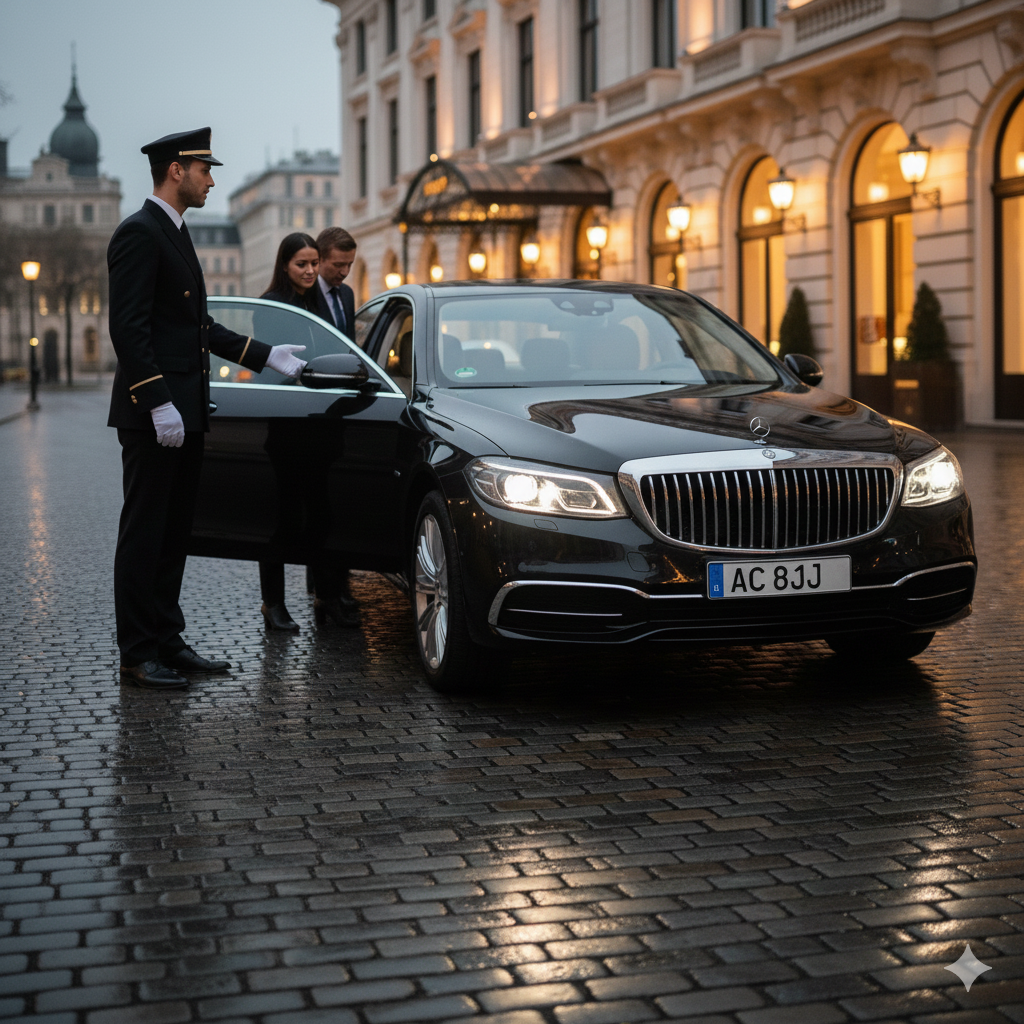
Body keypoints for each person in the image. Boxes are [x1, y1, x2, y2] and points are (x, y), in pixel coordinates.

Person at [108, 127, 307, 691]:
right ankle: (138, 653)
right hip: (156, 417)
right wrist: (157, 401)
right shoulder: (139, 233)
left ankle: (167, 641)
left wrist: (267, 356)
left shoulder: (173, 232)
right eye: (204, 169)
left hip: (185, 413)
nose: (211, 180)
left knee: (174, 534)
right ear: (177, 170)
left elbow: (199, 327)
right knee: (144, 534)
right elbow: (128, 328)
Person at [256, 233, 358, 631]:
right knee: (281, 518)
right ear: (285, 265)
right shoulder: (269, 306)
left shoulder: (321, 301)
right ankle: (273, 603)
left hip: (322, 425)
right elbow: (271, 367)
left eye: (315, 263)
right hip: (286, 426)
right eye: (303, 264)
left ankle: (327, 595)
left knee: (321, 512)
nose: (311, 271)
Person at [315, 226, 357, 337]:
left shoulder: (347, 293)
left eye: (349, 264)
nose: (345, 272)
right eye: (338, 265)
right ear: (319, 259)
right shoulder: (303, 294)